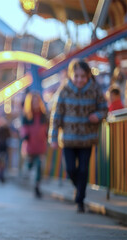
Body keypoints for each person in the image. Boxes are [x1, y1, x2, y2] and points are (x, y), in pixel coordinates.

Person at [49, 59, 108, 213]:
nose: (80, 79)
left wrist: (98, 115)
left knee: (83, 169)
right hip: (68, 139)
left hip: (86, 138)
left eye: (83, 76)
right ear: (71, 75)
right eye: (76, 76)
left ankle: (80, 200)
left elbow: (104, 108)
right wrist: (53, 138)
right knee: (70, 169)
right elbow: (56, 115)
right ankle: (80, 191)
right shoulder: (64, 90)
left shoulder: (95, 90)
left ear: (88, 76)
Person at [21, 92, 48, 198]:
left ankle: (37, 186)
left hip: (41, 145)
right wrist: (25, 136)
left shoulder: (43, 115)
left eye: (37, 102)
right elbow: (23, 129)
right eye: (33, 102)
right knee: (30, 164)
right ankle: (26, 172)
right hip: (30, 145)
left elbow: (47, 128)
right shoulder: (26, 116)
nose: (36, 104)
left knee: (39, 166)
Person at [0, 117, 11, 183]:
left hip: (2, 146)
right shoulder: (3, 129)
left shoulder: (2, 129)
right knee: (2, 161)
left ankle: (1, 174)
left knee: (1, 161)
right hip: (2, 146)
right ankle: (1, 174)